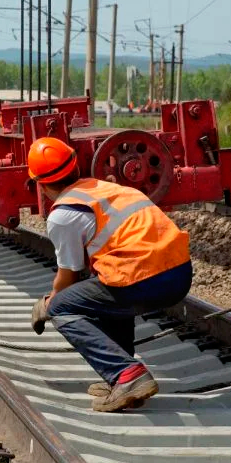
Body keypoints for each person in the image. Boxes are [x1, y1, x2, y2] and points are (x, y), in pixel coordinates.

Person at [27, 137, 193, 413]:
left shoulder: (63, 214)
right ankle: (119, 374)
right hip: (179, 273)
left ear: (41, 184)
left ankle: (128, 375)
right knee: (106, 283)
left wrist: (48, 303)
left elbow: (68, 275)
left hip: (143, 278)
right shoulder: (105, 189)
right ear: (75, 167)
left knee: (62, 306)